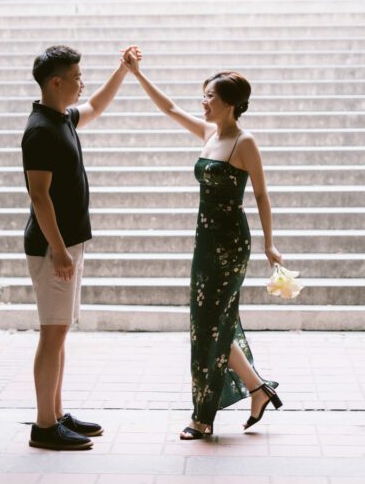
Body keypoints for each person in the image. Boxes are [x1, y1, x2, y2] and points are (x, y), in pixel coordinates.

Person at [123, 48, 284, 439]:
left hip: (230, 246)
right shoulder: (210, 133)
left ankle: (202, 417)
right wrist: (137, 74)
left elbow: (262, 195)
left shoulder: (245, 143)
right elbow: (170, 108)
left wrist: (270, 244)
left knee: (209, 327)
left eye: (210, 96)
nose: (204, 102)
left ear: (229, 103)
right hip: (205, 242)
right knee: (209, 323)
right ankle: (258, 389)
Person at [21, 43, 136, 451]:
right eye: (76, 77)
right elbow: (39, 195)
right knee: (52, 334)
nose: (81, 83)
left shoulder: (63, 118)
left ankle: (56, 414)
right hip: (53, 248)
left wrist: (122, 71)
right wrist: (59, 249)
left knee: (60, 332)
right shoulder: (40, 130)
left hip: (68, 243)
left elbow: (97, 106)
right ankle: (44, 426)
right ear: (56, 82)